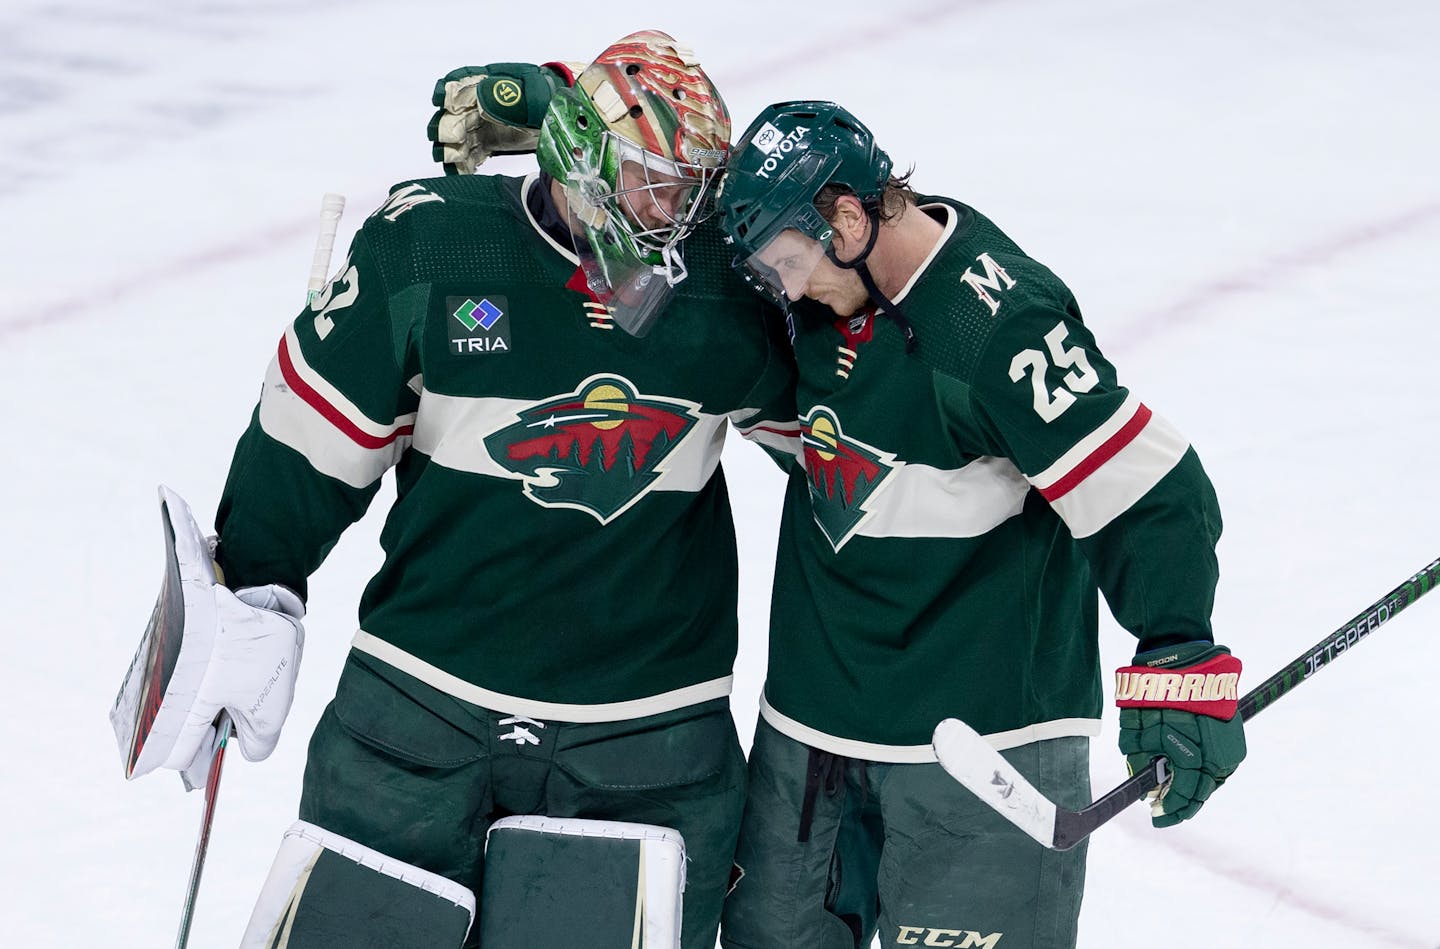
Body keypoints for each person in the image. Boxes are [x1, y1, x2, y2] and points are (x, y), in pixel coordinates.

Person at [133, 31, 796, 949]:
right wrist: (250, 591)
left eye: (692, 189)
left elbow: (850, 444)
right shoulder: (433, 246)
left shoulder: (727, 291)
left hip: (641, 738)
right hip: (421, 713)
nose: (677, 216)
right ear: (582, 157)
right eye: (653, 182)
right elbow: (305, 449)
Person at [709, 101, 1247, 949]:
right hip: (809, 740)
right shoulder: (813, 294)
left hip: (991, 747)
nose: (784, 287)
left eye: (789, 261)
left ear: (848, 217)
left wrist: (1177, 649)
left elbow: (1152, 491)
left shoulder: (996, 325)